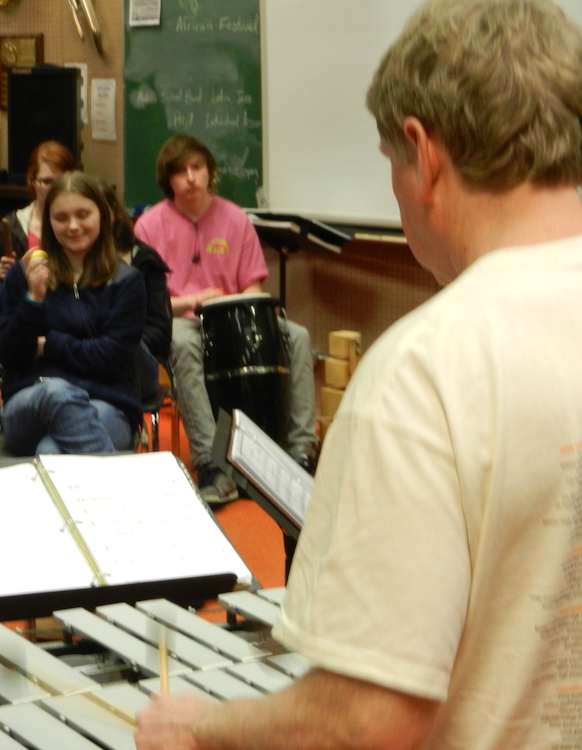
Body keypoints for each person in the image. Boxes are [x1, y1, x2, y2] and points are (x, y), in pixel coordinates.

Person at [135, 1, 582, 748]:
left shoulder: (431, 367)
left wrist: (205, 732)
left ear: (424, 151)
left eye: (391, 167)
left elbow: (375, 720)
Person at [134, 135, 317, 504]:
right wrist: (196, 299)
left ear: (209, 172)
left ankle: (301, 455)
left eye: (197, 168)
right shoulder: (149, 226)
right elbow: (148, 304)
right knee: (182, 344)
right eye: (180, 171)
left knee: (296, 336)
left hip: (236, 316)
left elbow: (253, 287)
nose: (190, 178)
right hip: (182, 318)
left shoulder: (235, 218)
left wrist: (232, 308)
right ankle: (210, 464)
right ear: (168, 180)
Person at [0, 171, 146, 455]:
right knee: (56, 392)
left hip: (106, 402)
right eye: (61, 218)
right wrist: (33, 300)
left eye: (83, 215)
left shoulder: (127, 281)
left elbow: (112, 359)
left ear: (102, 215)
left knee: (51, 452)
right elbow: (7, 352)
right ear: (49, 222)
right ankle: (123, 492)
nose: (73, 226)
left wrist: (48, 345)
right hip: (30, 401)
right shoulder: (25, 274)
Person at [103, 180, 171, 403]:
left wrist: (117, 345)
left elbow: (160, 332)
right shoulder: (65, 264)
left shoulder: (144, 261)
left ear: (113, 214)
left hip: (133, 359)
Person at [0, 140, 76, 279]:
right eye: (47, 182)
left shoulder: (82, 227)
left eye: (61, 181)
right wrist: (12, 278)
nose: (55, 189)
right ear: (32, 180)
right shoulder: (9, 229)